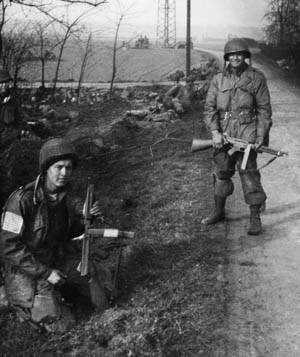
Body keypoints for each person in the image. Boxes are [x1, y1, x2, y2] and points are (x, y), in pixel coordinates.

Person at [0, 138, 110, 333]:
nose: (64, 173)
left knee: (97, 276)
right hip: (27, 268)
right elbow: (8, 248)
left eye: (68, 168)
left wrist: (87, 218)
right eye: (58, 167)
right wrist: (46, 273)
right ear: (45, 169)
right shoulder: (21, 201)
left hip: (55, 259)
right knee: (63, 324)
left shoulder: (65, 196)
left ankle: (59, 290)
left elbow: (68, 231)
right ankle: (10, 298)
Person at [202, 38, 272, 235]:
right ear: (226, 57)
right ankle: (218, 212)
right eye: (231, 54)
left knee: (249, 174)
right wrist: (215, 132)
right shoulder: (218, 79)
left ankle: (254, 217)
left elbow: (264, 110)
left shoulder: (256, 78)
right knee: (222, 173)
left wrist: (259, 136)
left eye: (239, 54)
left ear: (246, 56)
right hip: (223, 134)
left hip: (247, 133)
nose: (235, 57)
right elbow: (209, 109)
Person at [0, 68, 31, 210]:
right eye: (1, 83)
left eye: (6, 82)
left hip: (9, 141)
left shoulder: (13, 101)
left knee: (10, 171)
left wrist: (23, 130)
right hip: (4, 138)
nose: (4, 85)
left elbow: (20, 119)